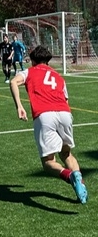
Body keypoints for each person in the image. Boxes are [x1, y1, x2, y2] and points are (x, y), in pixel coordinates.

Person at [10, 45, 87, 204]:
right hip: (65, 113)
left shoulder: (30, 71)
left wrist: (19, 106)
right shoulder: (58, 77)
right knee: (66, 153)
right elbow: (66, 100)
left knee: (48, 162)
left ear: (33, 61)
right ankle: (80, 184)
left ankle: (70, 176)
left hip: (45, 115)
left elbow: (13, 82)